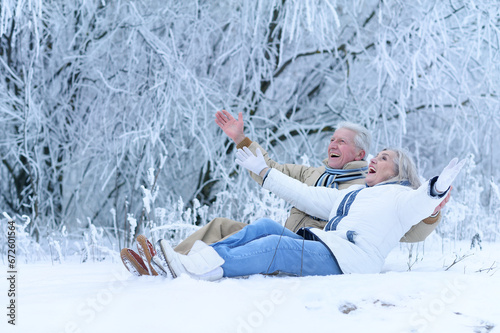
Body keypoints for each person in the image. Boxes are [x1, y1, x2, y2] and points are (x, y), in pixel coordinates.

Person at [150, 149, 465, 281]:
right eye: (377, 153)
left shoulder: (401, 198)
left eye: (383, 158)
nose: (374, 158)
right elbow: (305, 194)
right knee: (265, 226)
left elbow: (421, 205)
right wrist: (264, 170)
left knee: (278, 247)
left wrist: (437, 187)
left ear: (398, 171)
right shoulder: (353, 194)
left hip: (349, 262)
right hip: (328, 247)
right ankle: (192, 260)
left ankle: (197, 271)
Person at [172, 111, 445, 255]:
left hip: (312, 249)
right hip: (282, 236)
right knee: (222, 226)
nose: (333, 144)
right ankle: (167, 262)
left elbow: (406, 230)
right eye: (332, 139)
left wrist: (431, 212)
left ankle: (187, 265)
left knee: (252, 237)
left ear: (360, 154)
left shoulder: (369, 189)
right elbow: (270, 170)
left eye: (342, 142)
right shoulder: (312, 174)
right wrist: (241, 139)